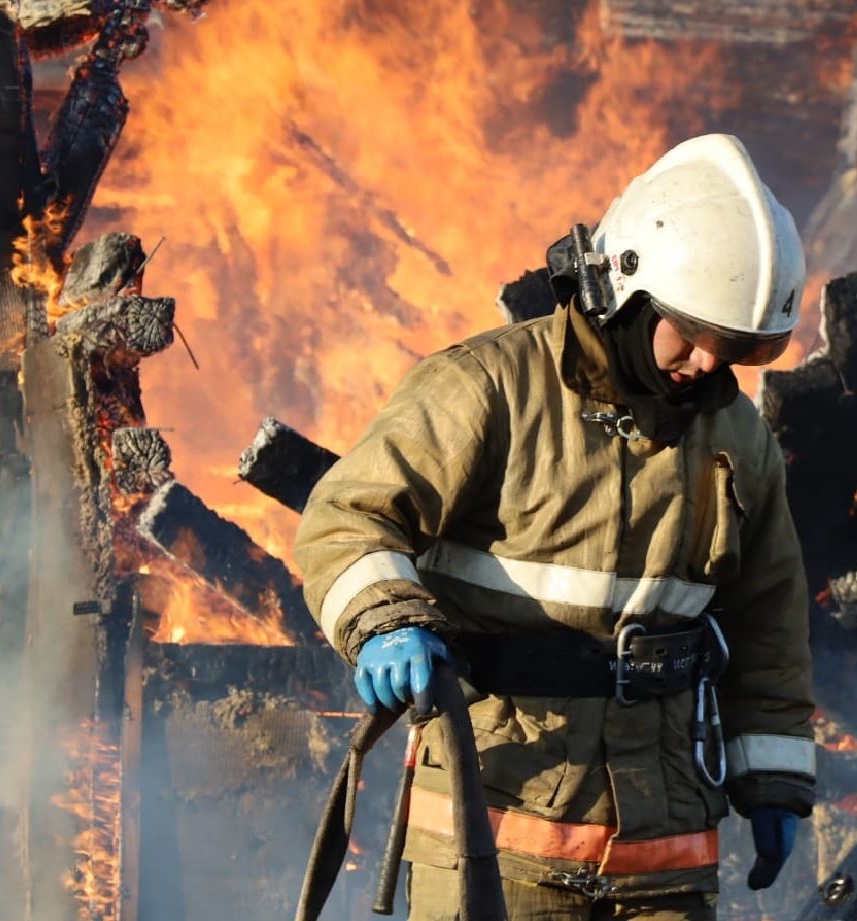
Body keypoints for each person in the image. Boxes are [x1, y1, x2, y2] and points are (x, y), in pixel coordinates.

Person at [294, 134, 816, 921]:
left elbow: (767, 616)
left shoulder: (739, 438)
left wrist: (772, 773)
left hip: (665, 846)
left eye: (733, 345)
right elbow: (347, 518)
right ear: (626, 289)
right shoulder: (488, 386)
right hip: (495, 831)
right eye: (690, 332)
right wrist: (384, 620)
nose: (708, 363)